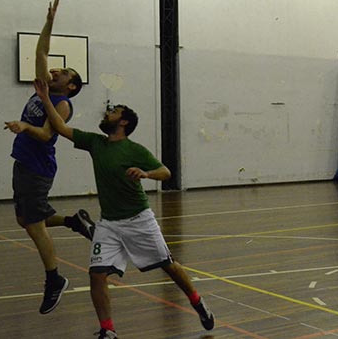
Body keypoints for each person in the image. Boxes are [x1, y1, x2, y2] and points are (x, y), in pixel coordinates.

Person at [33, 79, 215, 339]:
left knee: (169, 266)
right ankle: (108, 331)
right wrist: (45, 98)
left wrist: (145, 172)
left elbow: (165, 172)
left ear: (124, 122)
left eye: (113, 111)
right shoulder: (96, 143)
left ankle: (198, 302)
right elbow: (60, 127)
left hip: (139, 221)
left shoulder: (134, 150)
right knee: (96, 275)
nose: (107, 113)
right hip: (108, 224)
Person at [4, 0, 95, 315]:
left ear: (70, 86)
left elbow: (45, 134)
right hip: (24, 163)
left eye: (64, 73)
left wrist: (23, 127)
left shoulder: (62, 105)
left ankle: (54, 280)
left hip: (37, 167)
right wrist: (50, 21)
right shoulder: (45, 86)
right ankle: (74, 220)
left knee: (33, 225)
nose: (55, 71)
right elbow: (41, 50)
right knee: (24, 218)